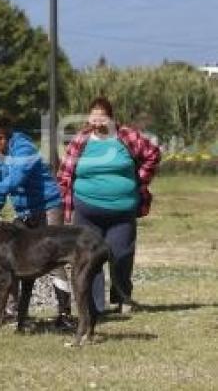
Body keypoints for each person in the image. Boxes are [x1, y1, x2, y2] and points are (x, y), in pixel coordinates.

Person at [0, 117, 73, 328]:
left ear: (2, 138)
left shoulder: (24, 149)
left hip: (48, 207)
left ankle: (64, 315)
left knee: (55, 261)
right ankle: (12, 313)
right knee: (10, 261)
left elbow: (15, 180)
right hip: (24, 212)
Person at [58, 97, 161, 314]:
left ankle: (122, 297)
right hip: (87, 210)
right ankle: (94, 304)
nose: (96, 119)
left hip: (122, 210)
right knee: (89, 257)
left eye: (101, 114)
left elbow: (153, 154)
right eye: (92, 114)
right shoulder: (81, 140)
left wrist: (139, 179)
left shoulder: (126, 136)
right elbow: (65, 174)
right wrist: (66, 208)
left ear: (111, 117)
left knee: (121, 254)